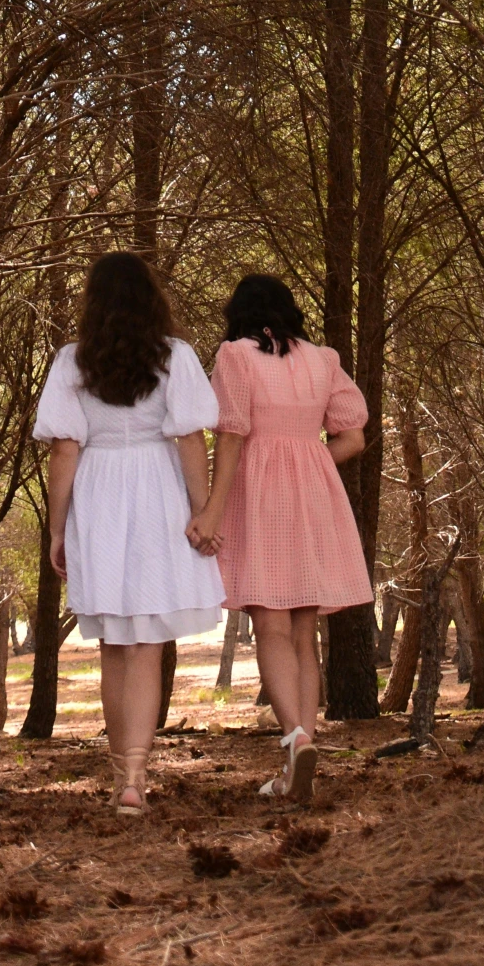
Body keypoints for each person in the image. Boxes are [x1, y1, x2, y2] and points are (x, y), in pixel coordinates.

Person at [34, 250, 223, 814]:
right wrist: (202, 511)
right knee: (144, 646)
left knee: (114, 645)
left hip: (99, 495)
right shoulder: (177, 357)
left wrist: (58, 526)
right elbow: (190, 439)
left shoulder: (72, 362)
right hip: (158, 493)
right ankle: (136, 778)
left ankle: (124, 779)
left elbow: (66, 450)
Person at [188, 273, 368, 805]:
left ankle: (295, 741)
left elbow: (231, 431)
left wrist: (213, 510)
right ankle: (300, 751)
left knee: (268, 621)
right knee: (303, 629)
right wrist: (309, 465)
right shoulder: (323, 359)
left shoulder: (235, 355)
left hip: (258, 494)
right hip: (312, 496)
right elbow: (352, 435)